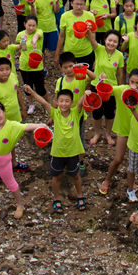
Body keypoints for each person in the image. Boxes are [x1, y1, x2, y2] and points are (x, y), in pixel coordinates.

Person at [25, 85, 87, 213]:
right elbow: (43, 102)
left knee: (75, 175)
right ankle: (56, 198)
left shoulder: (76, 112)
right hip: (58, 152)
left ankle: (80, 195)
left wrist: (86, 93)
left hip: (73, 152)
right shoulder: (55, 113)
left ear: (71, 103)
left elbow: (81, 103)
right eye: (61, 101)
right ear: (57, 102)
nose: (64, 104)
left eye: (67, 101)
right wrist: (32, 92)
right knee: (56, 176)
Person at [99, 69, 138, 195]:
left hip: (137, 132)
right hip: (123, 130)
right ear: (128, 81)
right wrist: (101, 79)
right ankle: (107, 180)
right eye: (132, 82)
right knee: (118, 159)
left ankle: (131, 183)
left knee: (133, 161)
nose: (134, 85)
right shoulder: (122, 90)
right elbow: (107, 88)